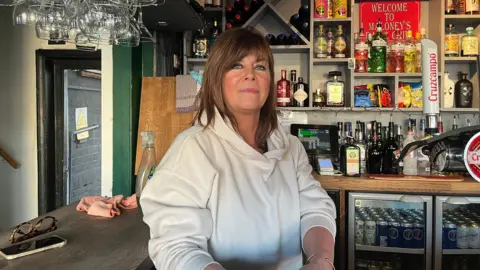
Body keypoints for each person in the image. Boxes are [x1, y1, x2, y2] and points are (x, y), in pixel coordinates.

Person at [140, 27, 337, 270]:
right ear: (216, 78)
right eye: (236, 65)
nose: (250, 74)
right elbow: (174, 245)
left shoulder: (290, 148)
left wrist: (321, 260)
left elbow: (315, 209)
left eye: (260, 67)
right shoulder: (193, 148)